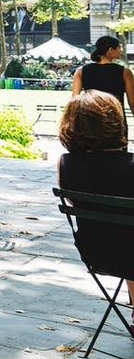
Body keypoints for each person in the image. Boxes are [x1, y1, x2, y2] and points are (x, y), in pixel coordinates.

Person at [58, 90, 134, 307]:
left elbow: (75, 202)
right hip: (128, 252)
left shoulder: (65, 164)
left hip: (96, 253)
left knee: (125, 234)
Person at [72, 35, 134, 131]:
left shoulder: (81, 71)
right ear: (110, 50)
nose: (121, 50)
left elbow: (75, 100)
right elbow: (132, 102)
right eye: (119, 47)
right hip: (116, 122)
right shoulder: (125, 73)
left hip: (89, 121)